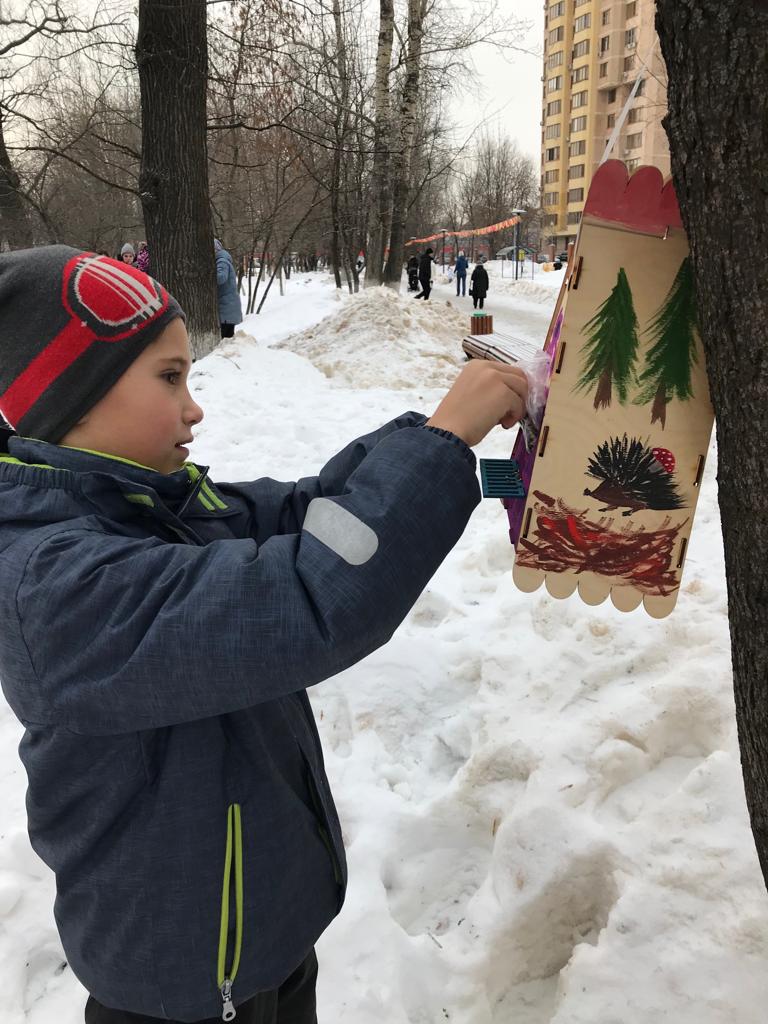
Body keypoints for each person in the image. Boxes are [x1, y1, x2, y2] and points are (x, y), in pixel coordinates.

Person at [0, 246, 528, 1024]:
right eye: (169, 377)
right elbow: (317, 593)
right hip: (177, 981)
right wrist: (446, 439)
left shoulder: (155, 507)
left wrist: (444, 447)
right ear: (67, 396)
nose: (194, 407)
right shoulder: (57, 586)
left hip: (260, 935)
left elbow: (313, 512)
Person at [215, 237, 243, 338]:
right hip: (228, 307)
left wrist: (207, 275)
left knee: (225, 339)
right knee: (227, 339)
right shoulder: (222, 260)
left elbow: (221, 277)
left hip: (226, 307)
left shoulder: (222, 261)